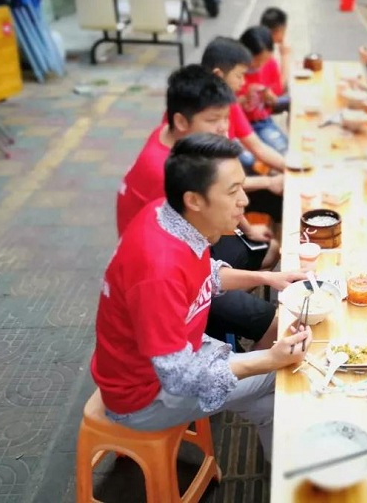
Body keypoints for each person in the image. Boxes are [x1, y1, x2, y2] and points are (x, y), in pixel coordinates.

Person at [93, 133, 313, 461]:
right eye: (232, 191)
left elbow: (205, 274)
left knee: (273, 399)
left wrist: (268, 278)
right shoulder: (158, 270)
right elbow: (179, 376)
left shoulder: (168, 215)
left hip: (180, 356)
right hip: (145, 397)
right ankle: (288, 464)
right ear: (194, 200)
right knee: (290, 373)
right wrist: (271, 359)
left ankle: (284, 465)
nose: (244, 202)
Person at [116, 65, 301, 351]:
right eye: (214, 121)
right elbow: (197, 262)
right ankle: (231, 334)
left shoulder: (174, 141)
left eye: (226, 118)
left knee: (268, 249)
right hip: (169, 274)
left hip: (189, 252)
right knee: (277, 322)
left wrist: (249, 233)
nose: (224, 129)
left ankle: (228, 330)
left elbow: (220, 199)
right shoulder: (163, 171)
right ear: (181, 121)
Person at [201, 37, 285, 222]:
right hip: (211, 200)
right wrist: (269, 182)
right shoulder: (199, 114)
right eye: (239, 76)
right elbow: (215, 182)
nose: (243, 82)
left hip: (228, 185)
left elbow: (257, 146)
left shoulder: (227, 101)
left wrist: (290, 169)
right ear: (219, 75)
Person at [238, 26, 288, 154]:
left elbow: (277, 92)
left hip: (261, 121)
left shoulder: (270, 63)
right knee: (249, 158)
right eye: (257, 60)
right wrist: (244, 99)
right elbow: (225, 105)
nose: (260, 65)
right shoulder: (235, 71)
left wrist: (270, 96)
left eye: (264, 61)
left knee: (283, 149)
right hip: (239, 123)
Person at [260, 6, 292, 91]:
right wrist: (285, 55)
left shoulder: (260, 44)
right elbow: (280, 88)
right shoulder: (263, 54)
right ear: (278, 30)